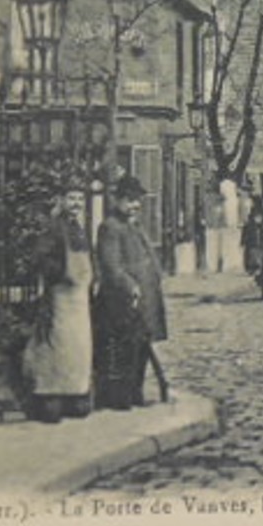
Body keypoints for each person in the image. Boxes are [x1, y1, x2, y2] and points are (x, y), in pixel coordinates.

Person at [20, 181, 95, 423]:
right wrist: (60, 274)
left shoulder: (79, 228)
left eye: (80, 200)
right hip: (61, 298)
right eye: (71, 198)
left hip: (80, 299)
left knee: (79, 348)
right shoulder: (54, 227)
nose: (76, 204)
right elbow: (39, 258)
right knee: (58, 347)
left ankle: (75, 395)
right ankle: (51, 397)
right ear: (61, 201)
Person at [93, 176, 167, 410]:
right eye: (130, 200)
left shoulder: (134, 226)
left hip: (145, 298)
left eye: (137, 201)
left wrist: (156, 275)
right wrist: (130, 287)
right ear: (117, 200)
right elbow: (111, 266)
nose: (135, 205)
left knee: (142, 346)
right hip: (123, 301)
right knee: (125, 349)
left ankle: (136, 392)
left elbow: (148, 254)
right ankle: (119, 396)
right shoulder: (110, 228)